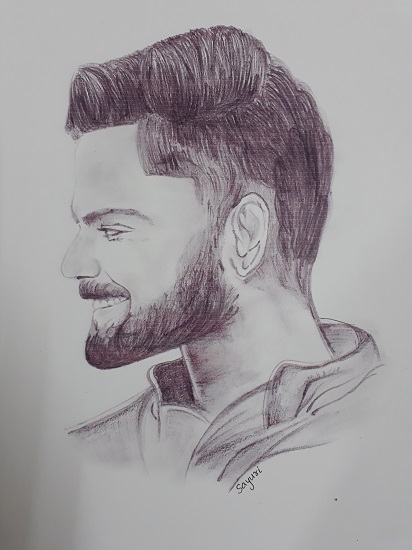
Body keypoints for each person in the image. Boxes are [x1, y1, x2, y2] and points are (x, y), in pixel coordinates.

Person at [62, 25, 382, 491]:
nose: (73, 264)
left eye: (113, 229)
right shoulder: (87, 458)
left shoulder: (386, 438)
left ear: (245, 234)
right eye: (83, 228)